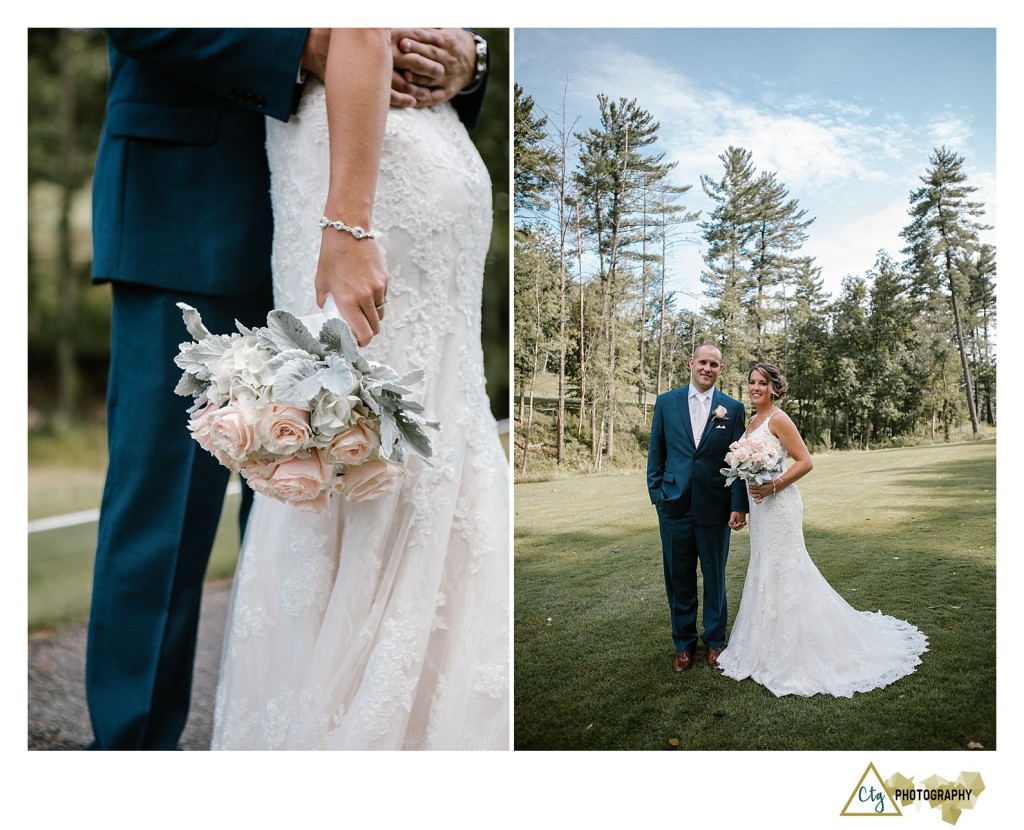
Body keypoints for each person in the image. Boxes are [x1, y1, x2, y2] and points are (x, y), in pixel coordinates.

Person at [86, 27, 490, 751]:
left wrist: (472, 59)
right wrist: (301, 45)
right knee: (161, 514)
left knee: (318, 510)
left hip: (368, 184)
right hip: (193, 206)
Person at [209, 28, 508, 750]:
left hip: (360, 168)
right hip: (422, 160)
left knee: (352, 428)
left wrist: (346, 226)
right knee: (408, 432)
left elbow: (362, 29)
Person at [716, 363, 928, 696]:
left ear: (774, 387)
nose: (755, 387)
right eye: (752, 382)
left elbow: (805, 461)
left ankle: (800, 648)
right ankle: (765, 645)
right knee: (764, 569)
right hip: (761, 509)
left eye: (762, 383)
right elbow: (748, 470)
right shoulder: (752, 422)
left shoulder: (778, 419)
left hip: (780, 505)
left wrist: (774, 486)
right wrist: (743, 503)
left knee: (787, 569)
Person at [647, 343, 749, 673]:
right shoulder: (666, 402)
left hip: (715, 507)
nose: (707, 368)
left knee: (715, 575)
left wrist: (738, 506)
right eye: (702, 362)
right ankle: (684, 644)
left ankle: (715, 643)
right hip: (674, 506)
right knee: (678, 578)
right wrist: (658, 496)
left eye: (714, 364)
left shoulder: (732, 408)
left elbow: (738, 462)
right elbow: (656, 454)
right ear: (691, 363)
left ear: (721, 369)